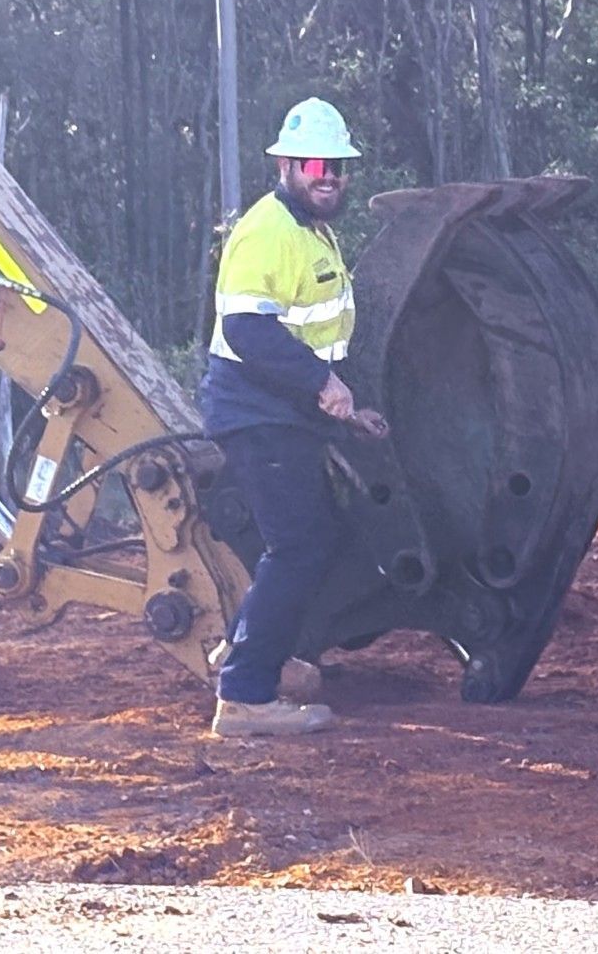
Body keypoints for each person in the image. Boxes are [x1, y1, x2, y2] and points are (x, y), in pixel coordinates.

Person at [200, 97, 384, 738]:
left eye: (337, 164)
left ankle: (243, 650)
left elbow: (312, 331)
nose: (327, 174)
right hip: (257, 412)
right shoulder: (267, 230)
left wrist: (341, 403)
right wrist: (321, 383)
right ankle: (246, 695)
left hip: (287, 412)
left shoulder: (310, 230)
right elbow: (249, 329)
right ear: (285, 164)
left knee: (314, 538)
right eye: (313, 163)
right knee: (298, 543)